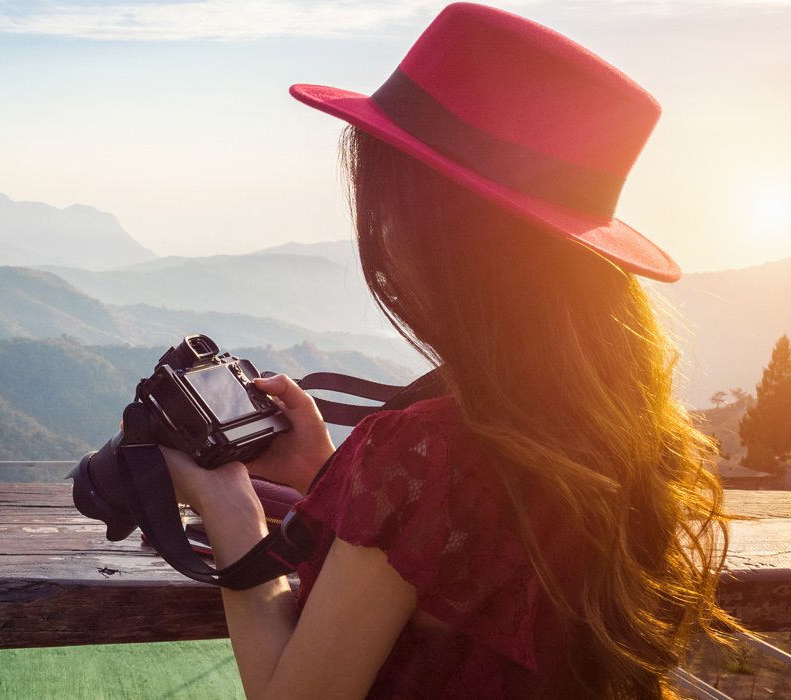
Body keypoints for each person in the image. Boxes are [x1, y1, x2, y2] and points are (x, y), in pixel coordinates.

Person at [161, 3, 739, 698]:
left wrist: (224, 503)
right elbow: (467, 585)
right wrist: (333, 480)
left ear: (431, 227)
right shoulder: (621, 433)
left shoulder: (428, 450)